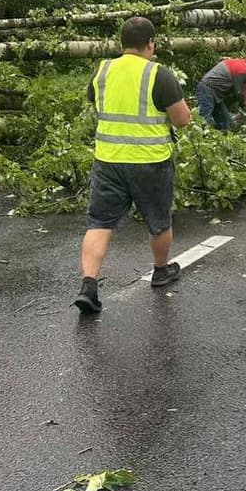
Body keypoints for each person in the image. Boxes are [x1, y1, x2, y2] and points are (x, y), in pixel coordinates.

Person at [74, 16, 193, 314]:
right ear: (150, 43)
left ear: (122, 43)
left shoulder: (102, 71)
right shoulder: (159, 75)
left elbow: (97, 103)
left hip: (108, 160)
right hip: (149, 161)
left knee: (100, 222)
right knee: (158, 220)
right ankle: (161, 270)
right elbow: (182, 119)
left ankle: (89, 285)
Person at [196, 54, 246, 129]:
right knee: (204, 121)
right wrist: (244, 107)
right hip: (208, 90)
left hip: (215, 93)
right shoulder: (242, 70)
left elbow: (243, 87)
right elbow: (239, 92)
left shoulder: (239, 64)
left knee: (227, 124)